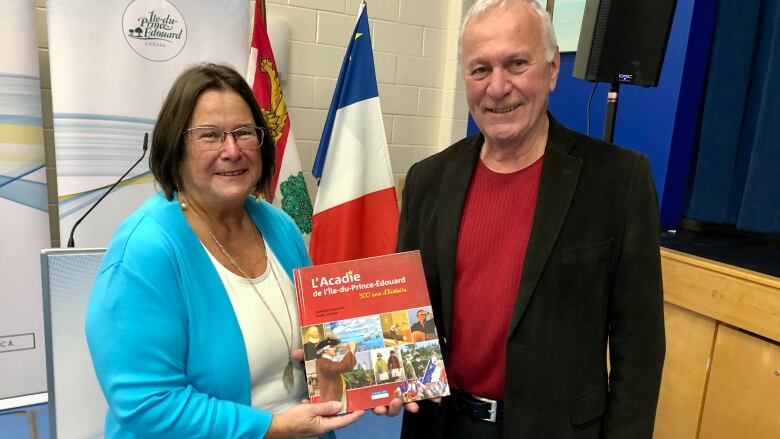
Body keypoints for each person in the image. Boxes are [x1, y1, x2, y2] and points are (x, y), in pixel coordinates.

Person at [394, 0, 665, 437]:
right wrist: (343, 358)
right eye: (480, 69)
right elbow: (406, 315)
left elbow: (640, 347)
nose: (498, 87)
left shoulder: (618, 180)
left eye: (517, 63)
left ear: (553, 70)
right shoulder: (428, 180)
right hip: (444, 427)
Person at [85, 63, 362, 438]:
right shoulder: (144, 251)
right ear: (176, 147)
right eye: (210, 136)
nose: (231, 150)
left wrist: (367, 378)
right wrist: (273, 428)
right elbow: (148, 403)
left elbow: (321, 335)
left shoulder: (280, 227)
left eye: (244, 133)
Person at [315, 338, 357, 413]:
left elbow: (347, 367)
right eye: (332, 347)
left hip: (338, 395)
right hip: (331, 399)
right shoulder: (322, 363)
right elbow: (342, 366)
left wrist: (348, 350)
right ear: (325, 350)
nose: (335, 349)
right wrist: (352, 350)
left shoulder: (327, 362)